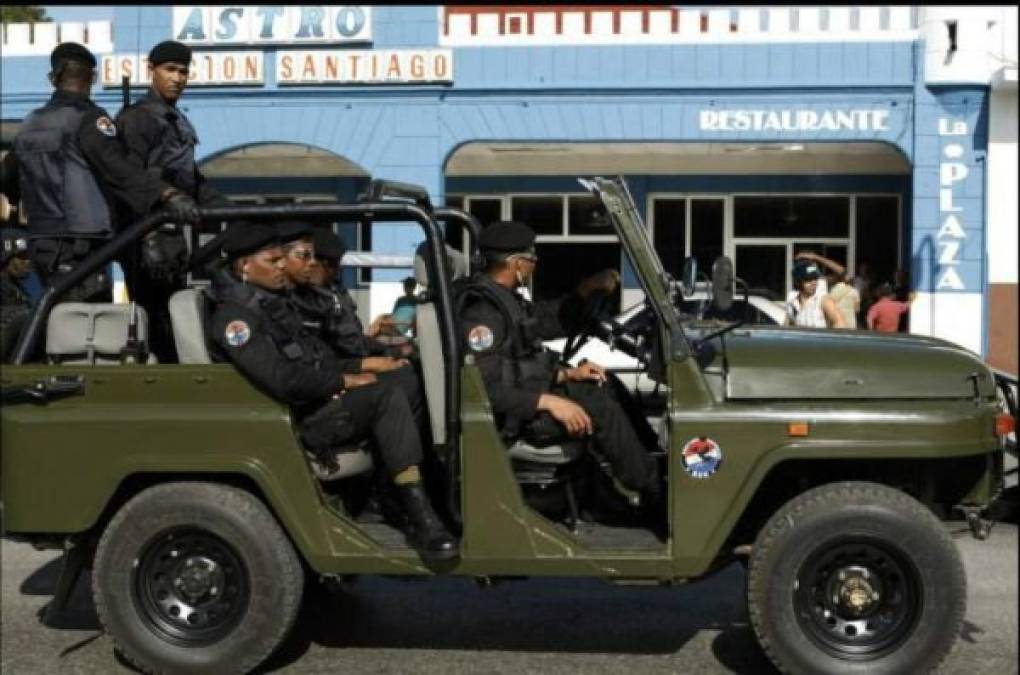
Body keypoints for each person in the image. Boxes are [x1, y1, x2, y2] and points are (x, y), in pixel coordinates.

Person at [205, 222, 456, 560]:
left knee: (407, 382)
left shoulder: (273, 305)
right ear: (244, 267)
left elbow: (316, 358)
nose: (283, 267)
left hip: (315, 400)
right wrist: (340, 382)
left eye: (283, 259)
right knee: (385, 396)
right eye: (273, 260)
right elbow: (281, 378)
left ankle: (396, 492)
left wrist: (357, 368)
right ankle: (420, 515)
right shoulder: (236, 319)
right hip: (296, 418)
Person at [457, 220, 663, 508]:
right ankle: (655, 491)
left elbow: (537, 339)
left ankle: (654, 460)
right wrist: (550, 402)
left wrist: (568, 372)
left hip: (524, 403)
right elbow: (483, 388)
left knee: (603, 382)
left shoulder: (507, 301)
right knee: (595, 398)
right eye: (532, 259)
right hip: (512, 419)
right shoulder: (482, 313)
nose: (535, 265)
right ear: (516, 263)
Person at [0, 43, 198, 303]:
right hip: (83, 244)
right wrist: (168, 193)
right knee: (91, 324)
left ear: (53, 78)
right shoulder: (90, 119)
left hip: (41, 242)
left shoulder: (29, 123)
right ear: (92, 78)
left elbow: (8, 179)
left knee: (55, 319)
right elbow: (118, 169)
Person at [115, 40, 232, 362]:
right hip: (147, 234)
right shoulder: (138, 118)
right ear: (150, 71)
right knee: (158, 322)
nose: (178, 78)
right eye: (169, 70)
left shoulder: (175, 119)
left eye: (183, 71)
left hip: (172, 235)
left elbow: (191, 181)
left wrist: (233, 210)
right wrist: (148, 236)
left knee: (176, 316)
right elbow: (129, 178)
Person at [785, 259, 846, 328]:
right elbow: (790, 324)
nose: (813, 283)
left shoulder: (823, 300)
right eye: (808, 279)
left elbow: (840, 323)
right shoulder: (792, 299)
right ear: (798, 281)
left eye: (815, 278)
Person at [1, 227, 32, 361]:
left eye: (29, 257)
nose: (28, 262)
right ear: (5, 257)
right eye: (22, 257)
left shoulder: (15, 288)